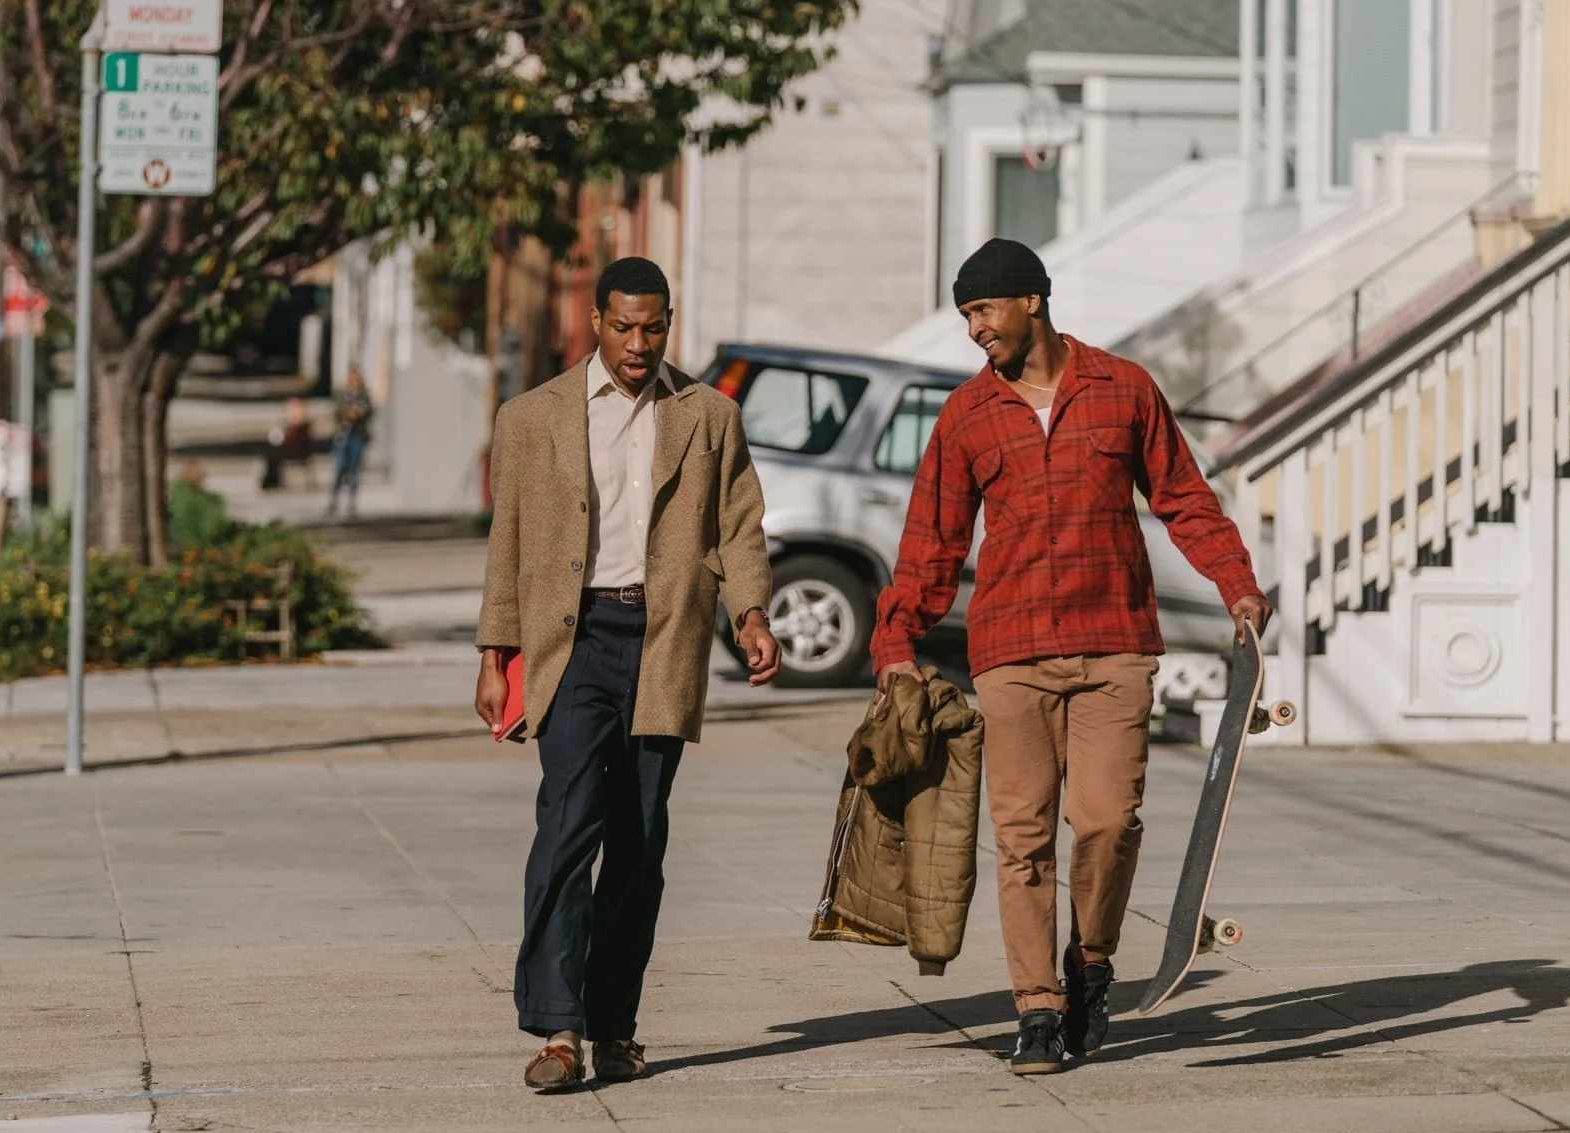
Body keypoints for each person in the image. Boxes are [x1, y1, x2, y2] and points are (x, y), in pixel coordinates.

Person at [869, 238, 1270, 1076]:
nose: (974, 330)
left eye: (983, 311)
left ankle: (1091, 959)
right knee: (1022, 839)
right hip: (1010, 650)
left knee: (1105, 823)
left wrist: (1234, 580)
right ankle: (1037, 1012)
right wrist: (897, 640)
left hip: (1115, 644)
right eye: (966, 315)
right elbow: (932, 542)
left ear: (1031, 303)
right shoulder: (966, 416)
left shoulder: (1124, 389)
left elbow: (1184, 498)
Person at [475, 256, 782, 1090]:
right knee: (568, 825)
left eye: (654, 327)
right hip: (569, 644)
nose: (638, 343)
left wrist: (751, 613)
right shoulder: (532, 416)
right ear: (596, 322)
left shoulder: (708, 416)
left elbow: (739, 523)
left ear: (668, 324)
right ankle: (557, 1028)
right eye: (623, 326)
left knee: (639, 843)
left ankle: (614, 1027)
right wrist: (494, 652)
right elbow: (509, 545)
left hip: (663, 642)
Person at [328, 369, 374, 517]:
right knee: (340, 468)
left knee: (354, 471)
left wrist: (359, 412)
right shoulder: (342, 395)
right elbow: (335, 412)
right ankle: (334, 501)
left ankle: (352, 502)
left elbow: (371, 412)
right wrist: (346, 413)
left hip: (357, 436)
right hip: (343, 436)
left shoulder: (363, 396)